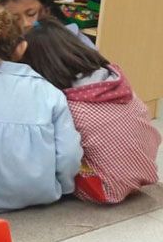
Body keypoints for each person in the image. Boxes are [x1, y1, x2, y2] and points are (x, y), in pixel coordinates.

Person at [0, 2, 83, 212]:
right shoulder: (50, 92)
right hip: (42, 193)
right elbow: (68, 154)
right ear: (21, 47)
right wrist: (63, 187)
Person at [22, 18, 160, 204]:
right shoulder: (114, 78)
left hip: (102, 187)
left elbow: (65, 155)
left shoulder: (67, 103)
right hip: (146, 170)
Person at [0, 0, 96, 48]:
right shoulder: (3, 45)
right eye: (15, 18)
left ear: (47, 9)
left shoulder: (72, 41)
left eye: (31, 14)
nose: (25, 24)